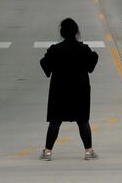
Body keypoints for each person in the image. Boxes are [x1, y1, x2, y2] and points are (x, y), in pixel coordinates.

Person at [39, 18, 99, 161]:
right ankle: (88, 151)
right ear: (76, 32)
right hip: (80, 91)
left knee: (55, 121)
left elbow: (44, 64)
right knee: (83, 121)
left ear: (62, 32)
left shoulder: (55, 49)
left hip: (59, 91)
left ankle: (47, 152)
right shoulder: (84, 49)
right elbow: (91, 66)